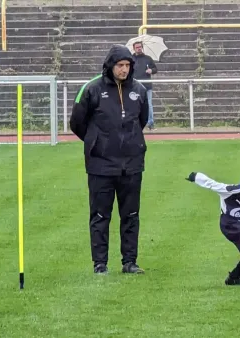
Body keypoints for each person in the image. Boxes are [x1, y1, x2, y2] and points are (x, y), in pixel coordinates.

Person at [70, 44, 150, 274]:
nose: (124, 70)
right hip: (100, 166)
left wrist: (130, 143)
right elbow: (77, 122)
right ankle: (100, 264)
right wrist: (96, 141)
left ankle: (129, 262)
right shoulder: (92, 89)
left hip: (132, 165)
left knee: (131, 215)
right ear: (110, 66)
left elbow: (141, 121)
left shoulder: (139, 90)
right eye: (120, 65)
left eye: (127, 65)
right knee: (100, 216)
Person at [132, 41, 158, 130]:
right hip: (134, 86)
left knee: (149, 105)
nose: (139, 48)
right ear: (134, 48)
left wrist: (151, 70)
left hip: (147, 86)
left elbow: (155, 69)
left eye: (140, 47)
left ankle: (150, 124)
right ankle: (135, 123)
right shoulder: (130, 59)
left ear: (142, 47)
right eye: (137, 47)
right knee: (134, 105)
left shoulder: (148, 58)